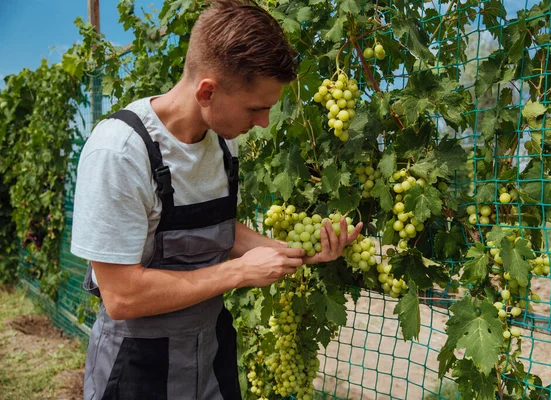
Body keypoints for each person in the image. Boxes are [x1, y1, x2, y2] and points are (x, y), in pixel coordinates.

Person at [70, 1, 363, 399]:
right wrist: (240, 272)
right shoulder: (120, 152)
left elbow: (212, 230)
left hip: (210, 351)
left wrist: (292, 252)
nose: (263, 122)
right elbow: (122, 295)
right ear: (207, 91)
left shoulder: (224, 143)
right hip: (138, 364)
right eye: (256, 108)